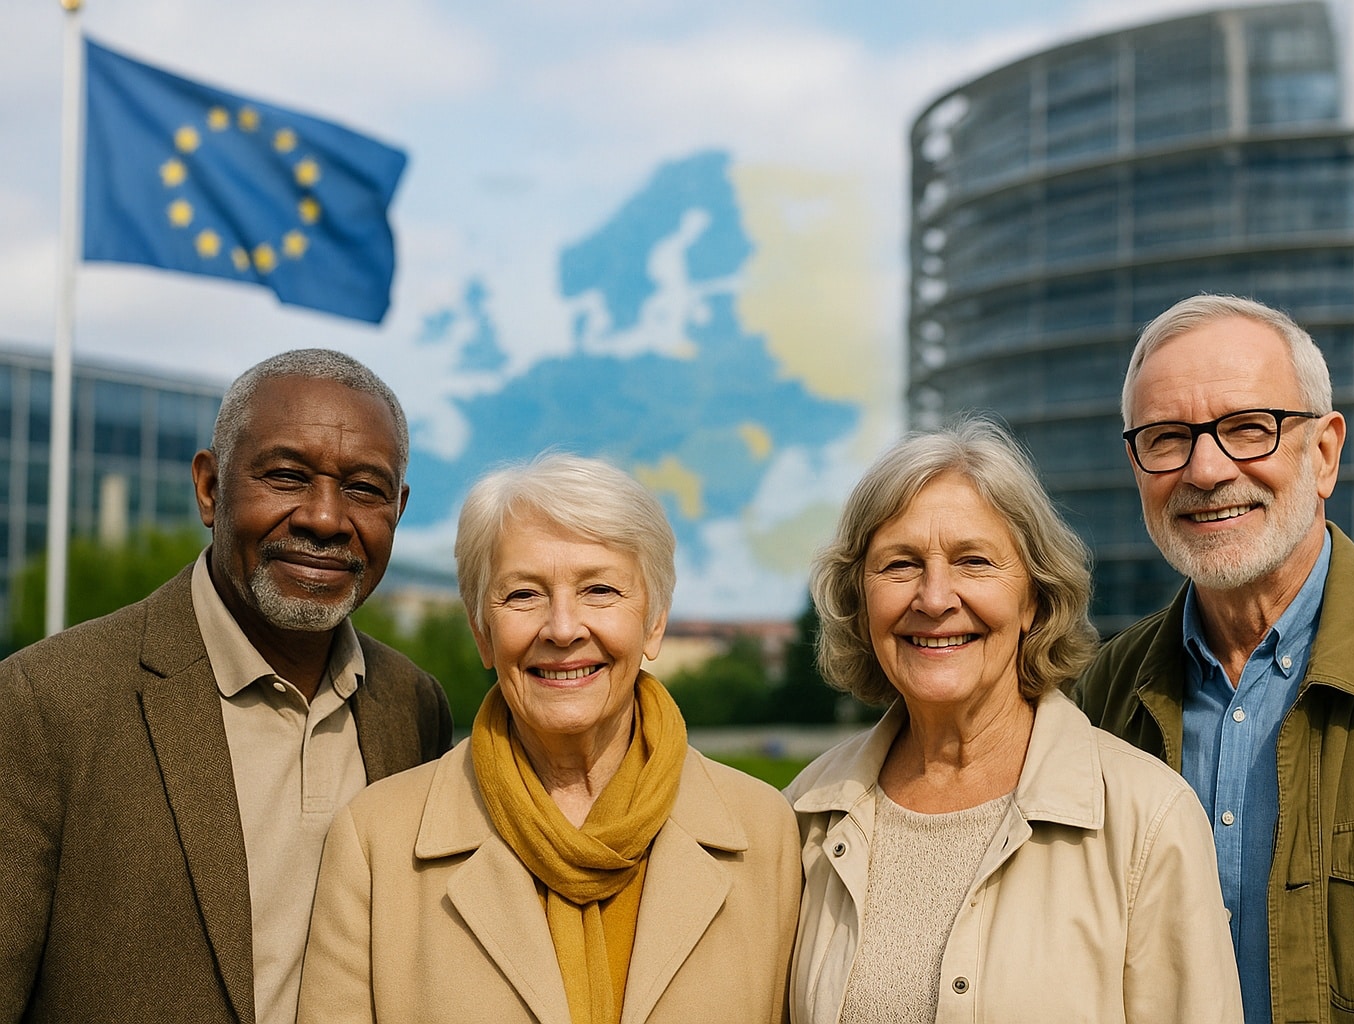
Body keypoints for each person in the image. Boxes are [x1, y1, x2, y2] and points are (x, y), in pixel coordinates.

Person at [1077, 293, 1354, 1023]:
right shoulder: (1101, 695)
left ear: (1323, 454)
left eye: (1247, 428)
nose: (1205, 469)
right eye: (1166, 438)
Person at [0, 349, 453, 1024]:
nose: (325, 519)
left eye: (364, 489)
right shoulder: (45, 701)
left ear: (399, 509)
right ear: (210, 489)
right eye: (287, 476)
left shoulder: (413, 707)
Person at [298, 453, 800, 1024]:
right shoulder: (375, 843)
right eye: (523, 595)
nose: (562, 629)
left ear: (655, 621)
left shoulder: (766, 834)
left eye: (600, 590)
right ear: (482, 632)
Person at [786, 417, 1241, 1023]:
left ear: (1034, 598)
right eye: (900, 565)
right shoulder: (802, 817)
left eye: (973, 561)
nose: (935, 598)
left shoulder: (1148, 818)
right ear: (860, 599)